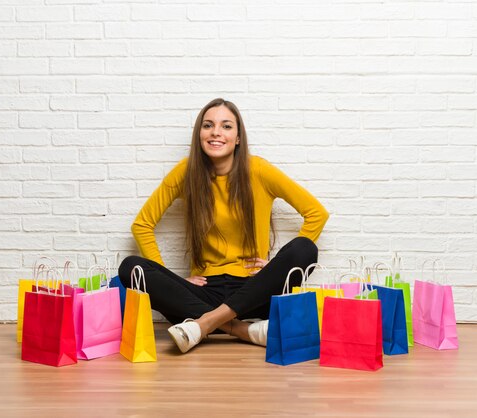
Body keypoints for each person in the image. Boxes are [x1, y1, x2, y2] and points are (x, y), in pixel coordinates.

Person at [118, 98, 329, 354]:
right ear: (199, 135)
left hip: (253, 292)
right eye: (208, 125)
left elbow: (316, 213)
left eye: (226, 126)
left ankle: (203, 324)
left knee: (304, 248)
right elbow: (142, 224)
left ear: (238, 138)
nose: (216, 132)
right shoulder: (186, 172)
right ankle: (241, 329)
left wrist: (271, 268)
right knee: (131, 267)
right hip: (204, 292)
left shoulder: (259, 170)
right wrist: (171, 279)